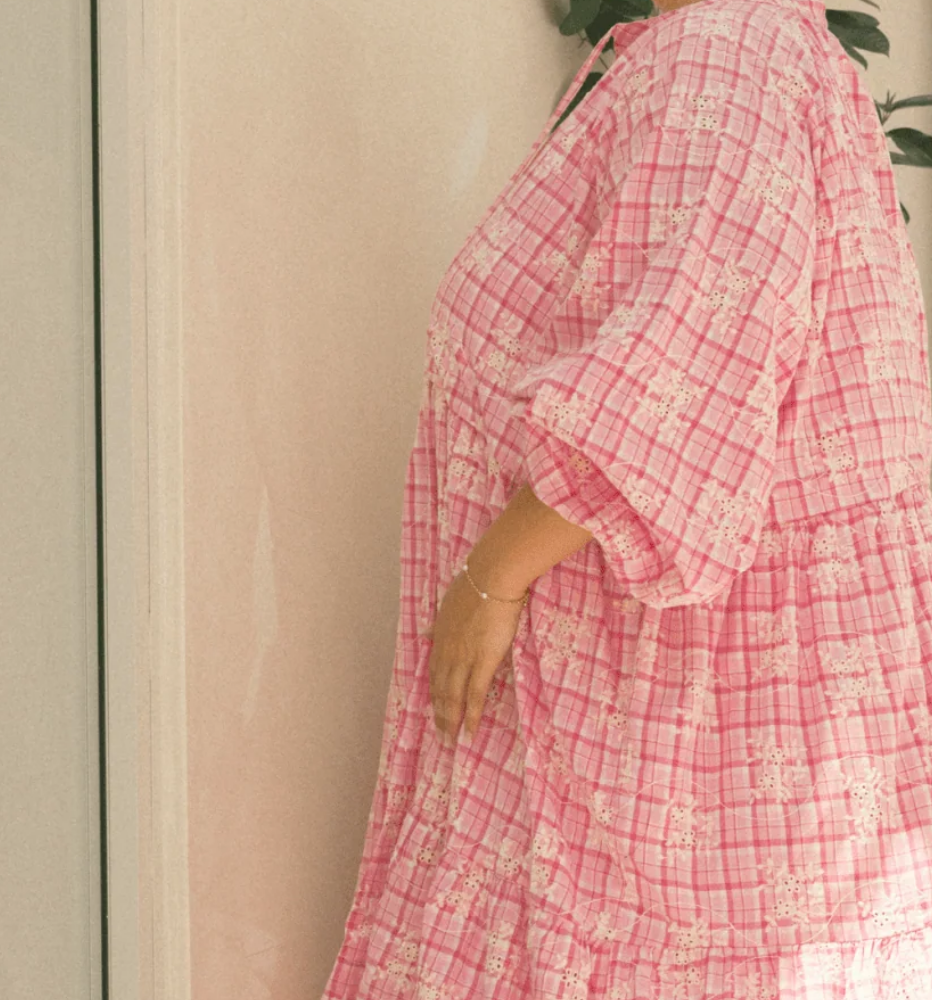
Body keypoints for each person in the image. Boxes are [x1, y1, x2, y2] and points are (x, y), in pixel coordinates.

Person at [321, 0, 932, 994]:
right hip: (738, 721)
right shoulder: (766, 51)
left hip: (678, 730)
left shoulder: (729, 53)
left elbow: (682, 382)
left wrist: (491, 576)